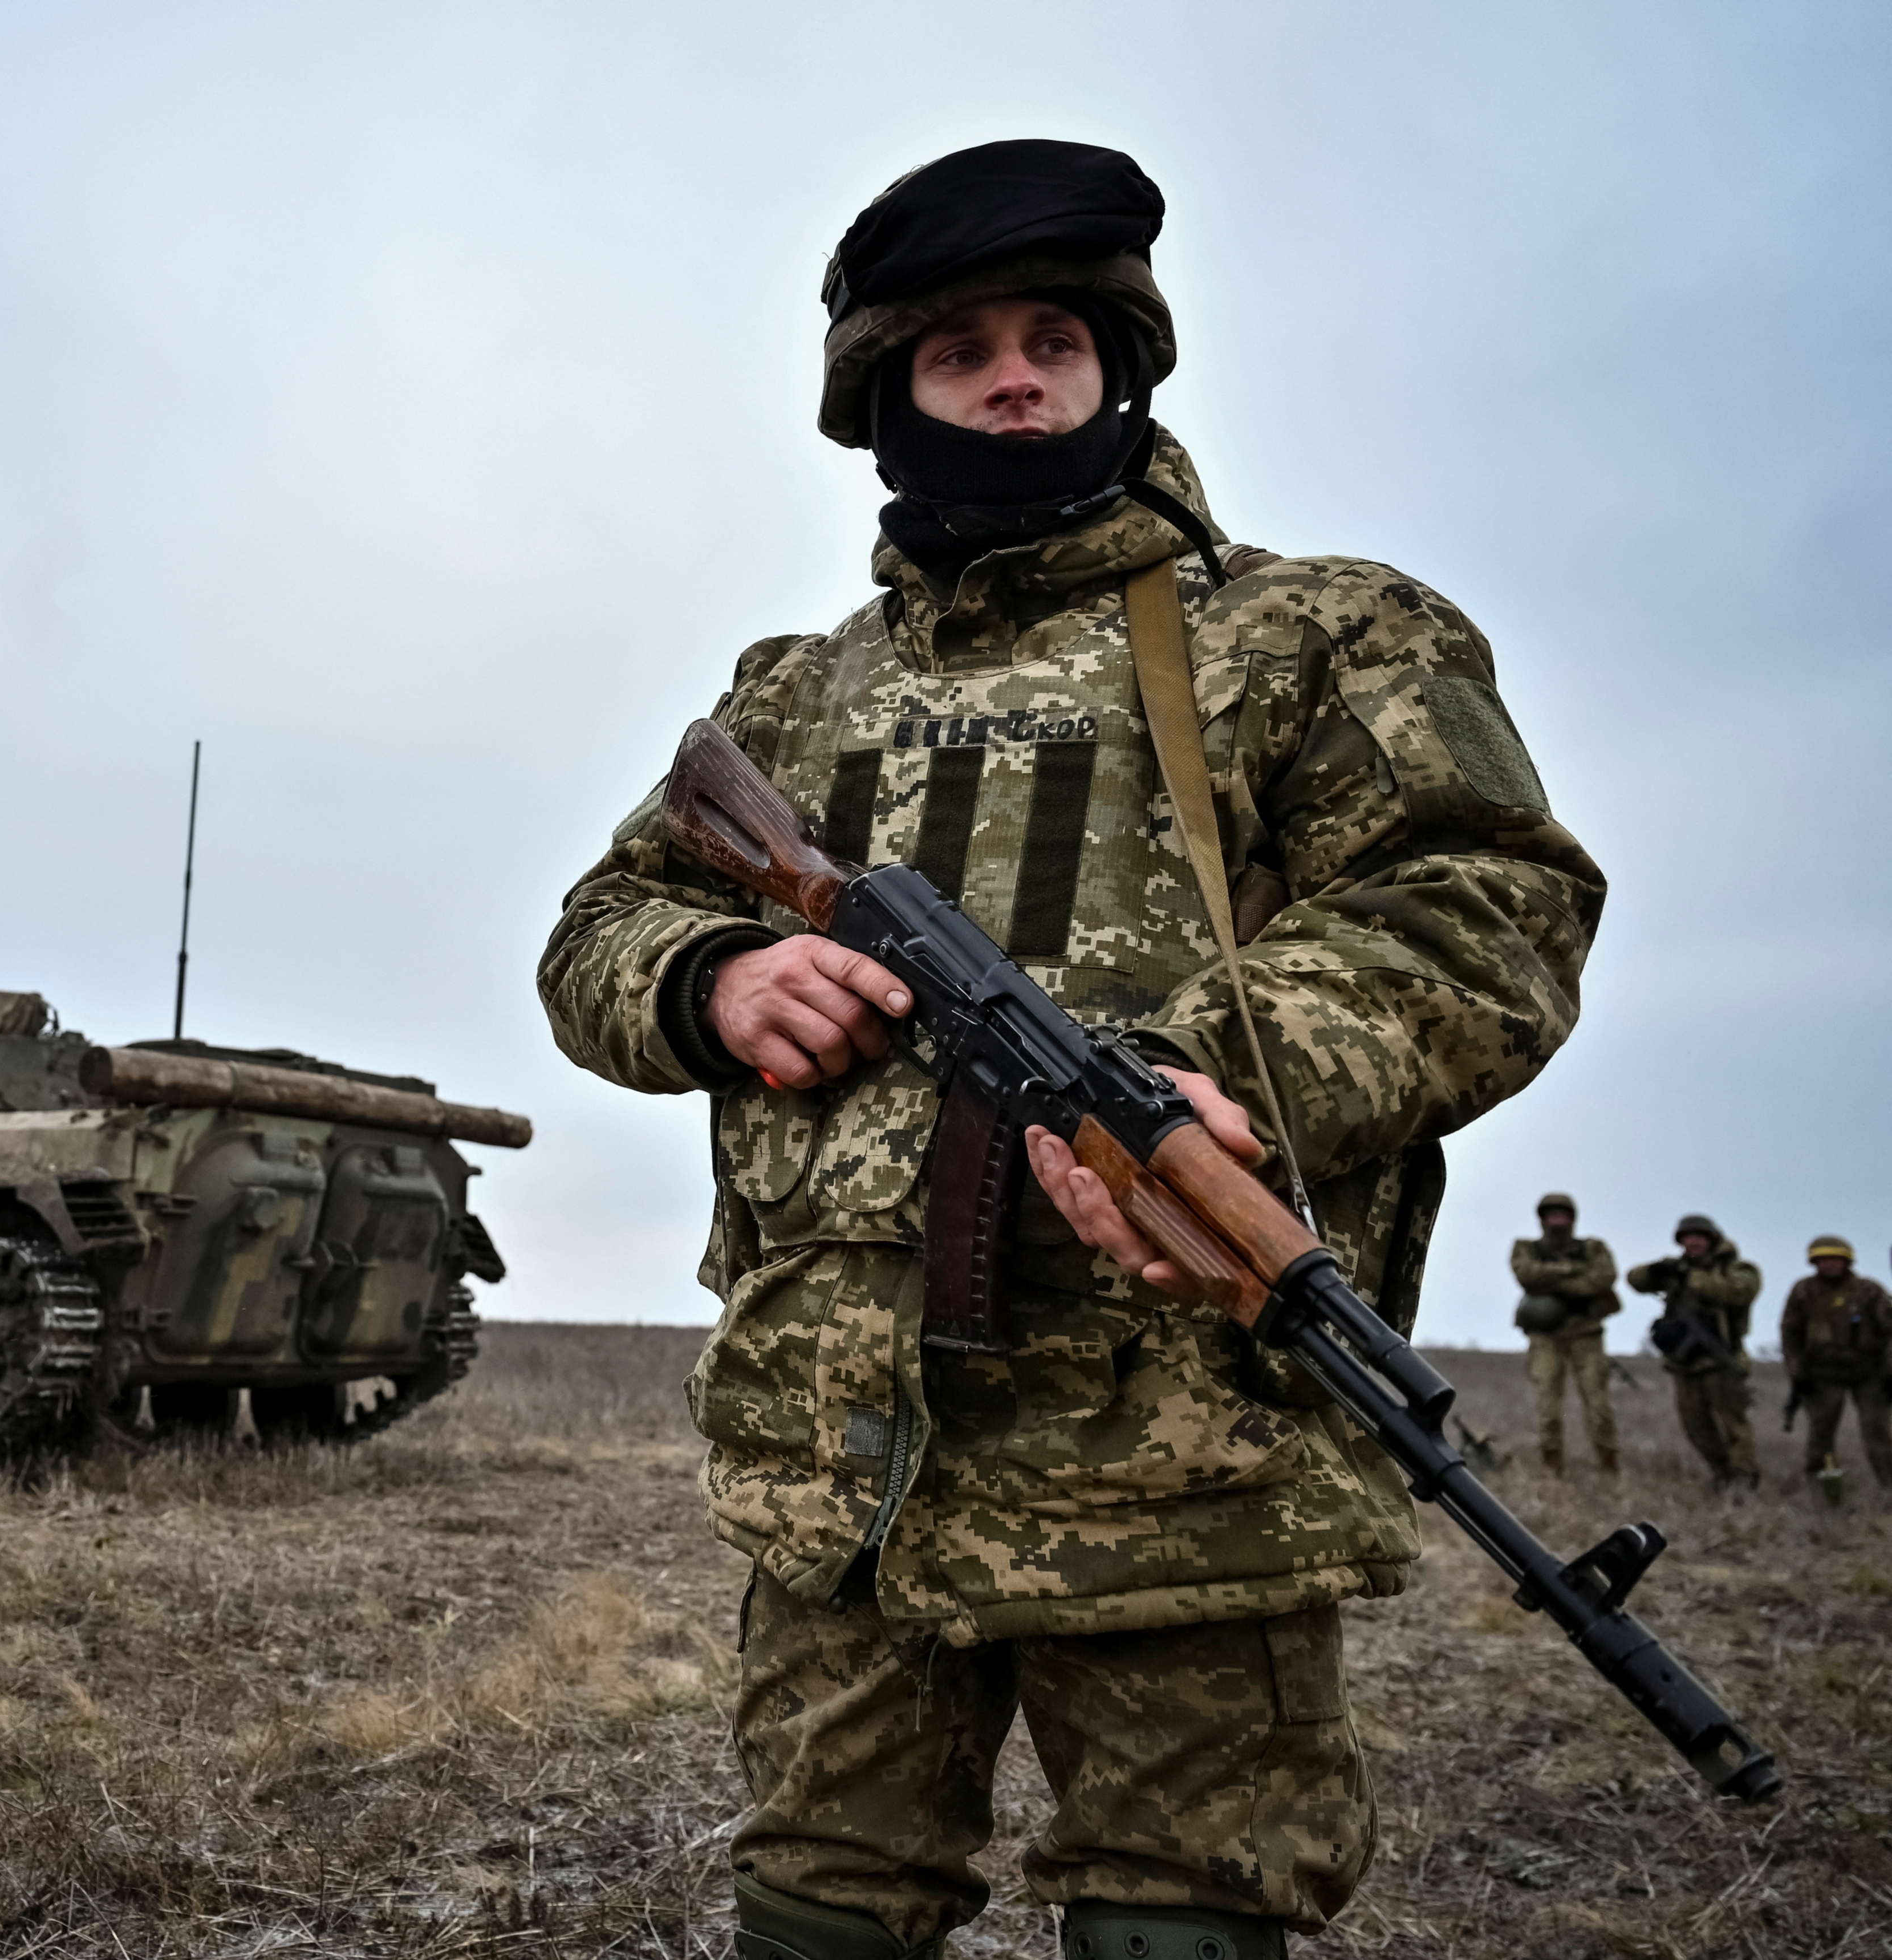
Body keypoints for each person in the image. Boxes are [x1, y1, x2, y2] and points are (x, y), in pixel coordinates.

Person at [538, 140, 1602, 1960]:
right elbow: (594, 930)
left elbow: (1483, 901)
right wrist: (711, 974)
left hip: (1179, 1432)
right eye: (961, 352)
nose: (1014, 376)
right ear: (891, 396)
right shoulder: (796, 693)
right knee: (817, 1897)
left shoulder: (1313, 633)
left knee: (1180, 1909)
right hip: (846, 1447)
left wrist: (1230, 1078)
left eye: (1051, 337)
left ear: (1119, 361)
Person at [1628, 1215, 1762, 1491]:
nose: (1693, 1242)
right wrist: (1658, 1270)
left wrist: (1692, 1277)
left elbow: (1739, 1292)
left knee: (1733, 1425)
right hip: (1685, 1362)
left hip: (1721, 1359)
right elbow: (1635, 1280)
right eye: (1687, 1238)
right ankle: (1722, 1473)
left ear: (1712, 1240)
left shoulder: (1737, 1268)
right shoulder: (1676, 1269)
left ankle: (1744, 1477)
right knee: (1696, 1426)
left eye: (1699, 1237)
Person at [1509, 1192, 1621, 1474]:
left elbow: (1603, 1278)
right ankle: (1552, 1467)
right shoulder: (1526, 1248)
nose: (1558, 1220)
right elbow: (1526, 1275)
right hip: (1545, 1336)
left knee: (1598, 1403)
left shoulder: (1594, 1249)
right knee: (1548, 1403)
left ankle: (1609, 1466)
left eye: (1563, 1215)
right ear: (1543, 1220)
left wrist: (1554, 1282)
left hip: (1587, 1334)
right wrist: (1571, 1271)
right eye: (1552, 1215)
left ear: (1573, 1219)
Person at [1779, 1235, 1890, 1498]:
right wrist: (1797, 1374)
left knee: (1878, 1433)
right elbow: (1790, 1334)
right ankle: (1823, 1494)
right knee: (1821, 1435)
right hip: (1822, 1375)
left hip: (1869, 1373)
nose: (1829, 1265)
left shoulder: (1869, 1290)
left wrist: (1890, 1371)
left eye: (1835, 1259)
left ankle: (1890, 1488)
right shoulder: (1803, 1290)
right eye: (1823, 1260)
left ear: (1847, 1261)